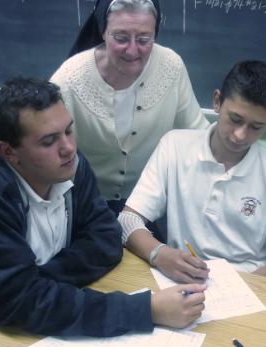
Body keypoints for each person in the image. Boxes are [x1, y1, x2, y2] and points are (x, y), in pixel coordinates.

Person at [0, 77, 206, 347]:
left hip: (8, 313)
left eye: (68, 131)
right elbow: (22, 305)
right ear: (9, 152)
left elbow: (106, 239)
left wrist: (36, 282)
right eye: (49, 141)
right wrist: (146, 309)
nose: (69, 148)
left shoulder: (70, 167)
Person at [119, 60, 266, 283]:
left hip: (250, 287)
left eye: (256, 127)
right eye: (235, 119)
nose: (240, 135)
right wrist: (159, 254)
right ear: (217, 101)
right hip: (180, 279)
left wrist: (236, 285)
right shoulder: (174, 146)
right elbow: (127, 220)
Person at [51, 0, 209, 218]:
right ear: (103, 32)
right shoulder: (70, 78)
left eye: (144, 39)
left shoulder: (171, 66)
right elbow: (49, 149)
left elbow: (196, 133)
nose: (133, 50)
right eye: (121, 38)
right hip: (84, 203)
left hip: (148, 202)